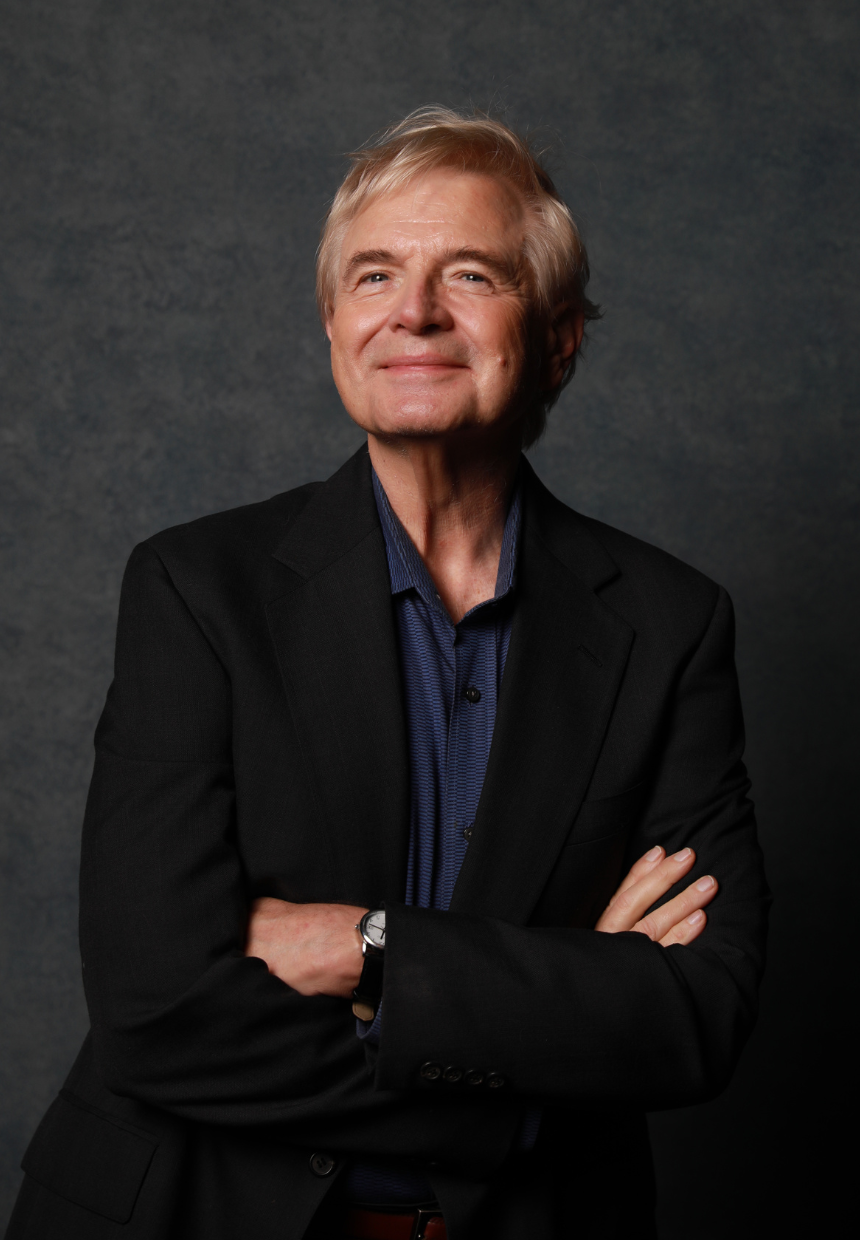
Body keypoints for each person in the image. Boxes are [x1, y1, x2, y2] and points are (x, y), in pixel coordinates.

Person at [7, 107, 769, 1240]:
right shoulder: (192, 590)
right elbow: (156, 1011)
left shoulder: (667, 625)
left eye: (468, 273)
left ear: (557, 336)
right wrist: (527, 1078)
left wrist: (361, 946)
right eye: (373, 275)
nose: (412, 311)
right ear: (332, 325)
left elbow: (693, 1016)